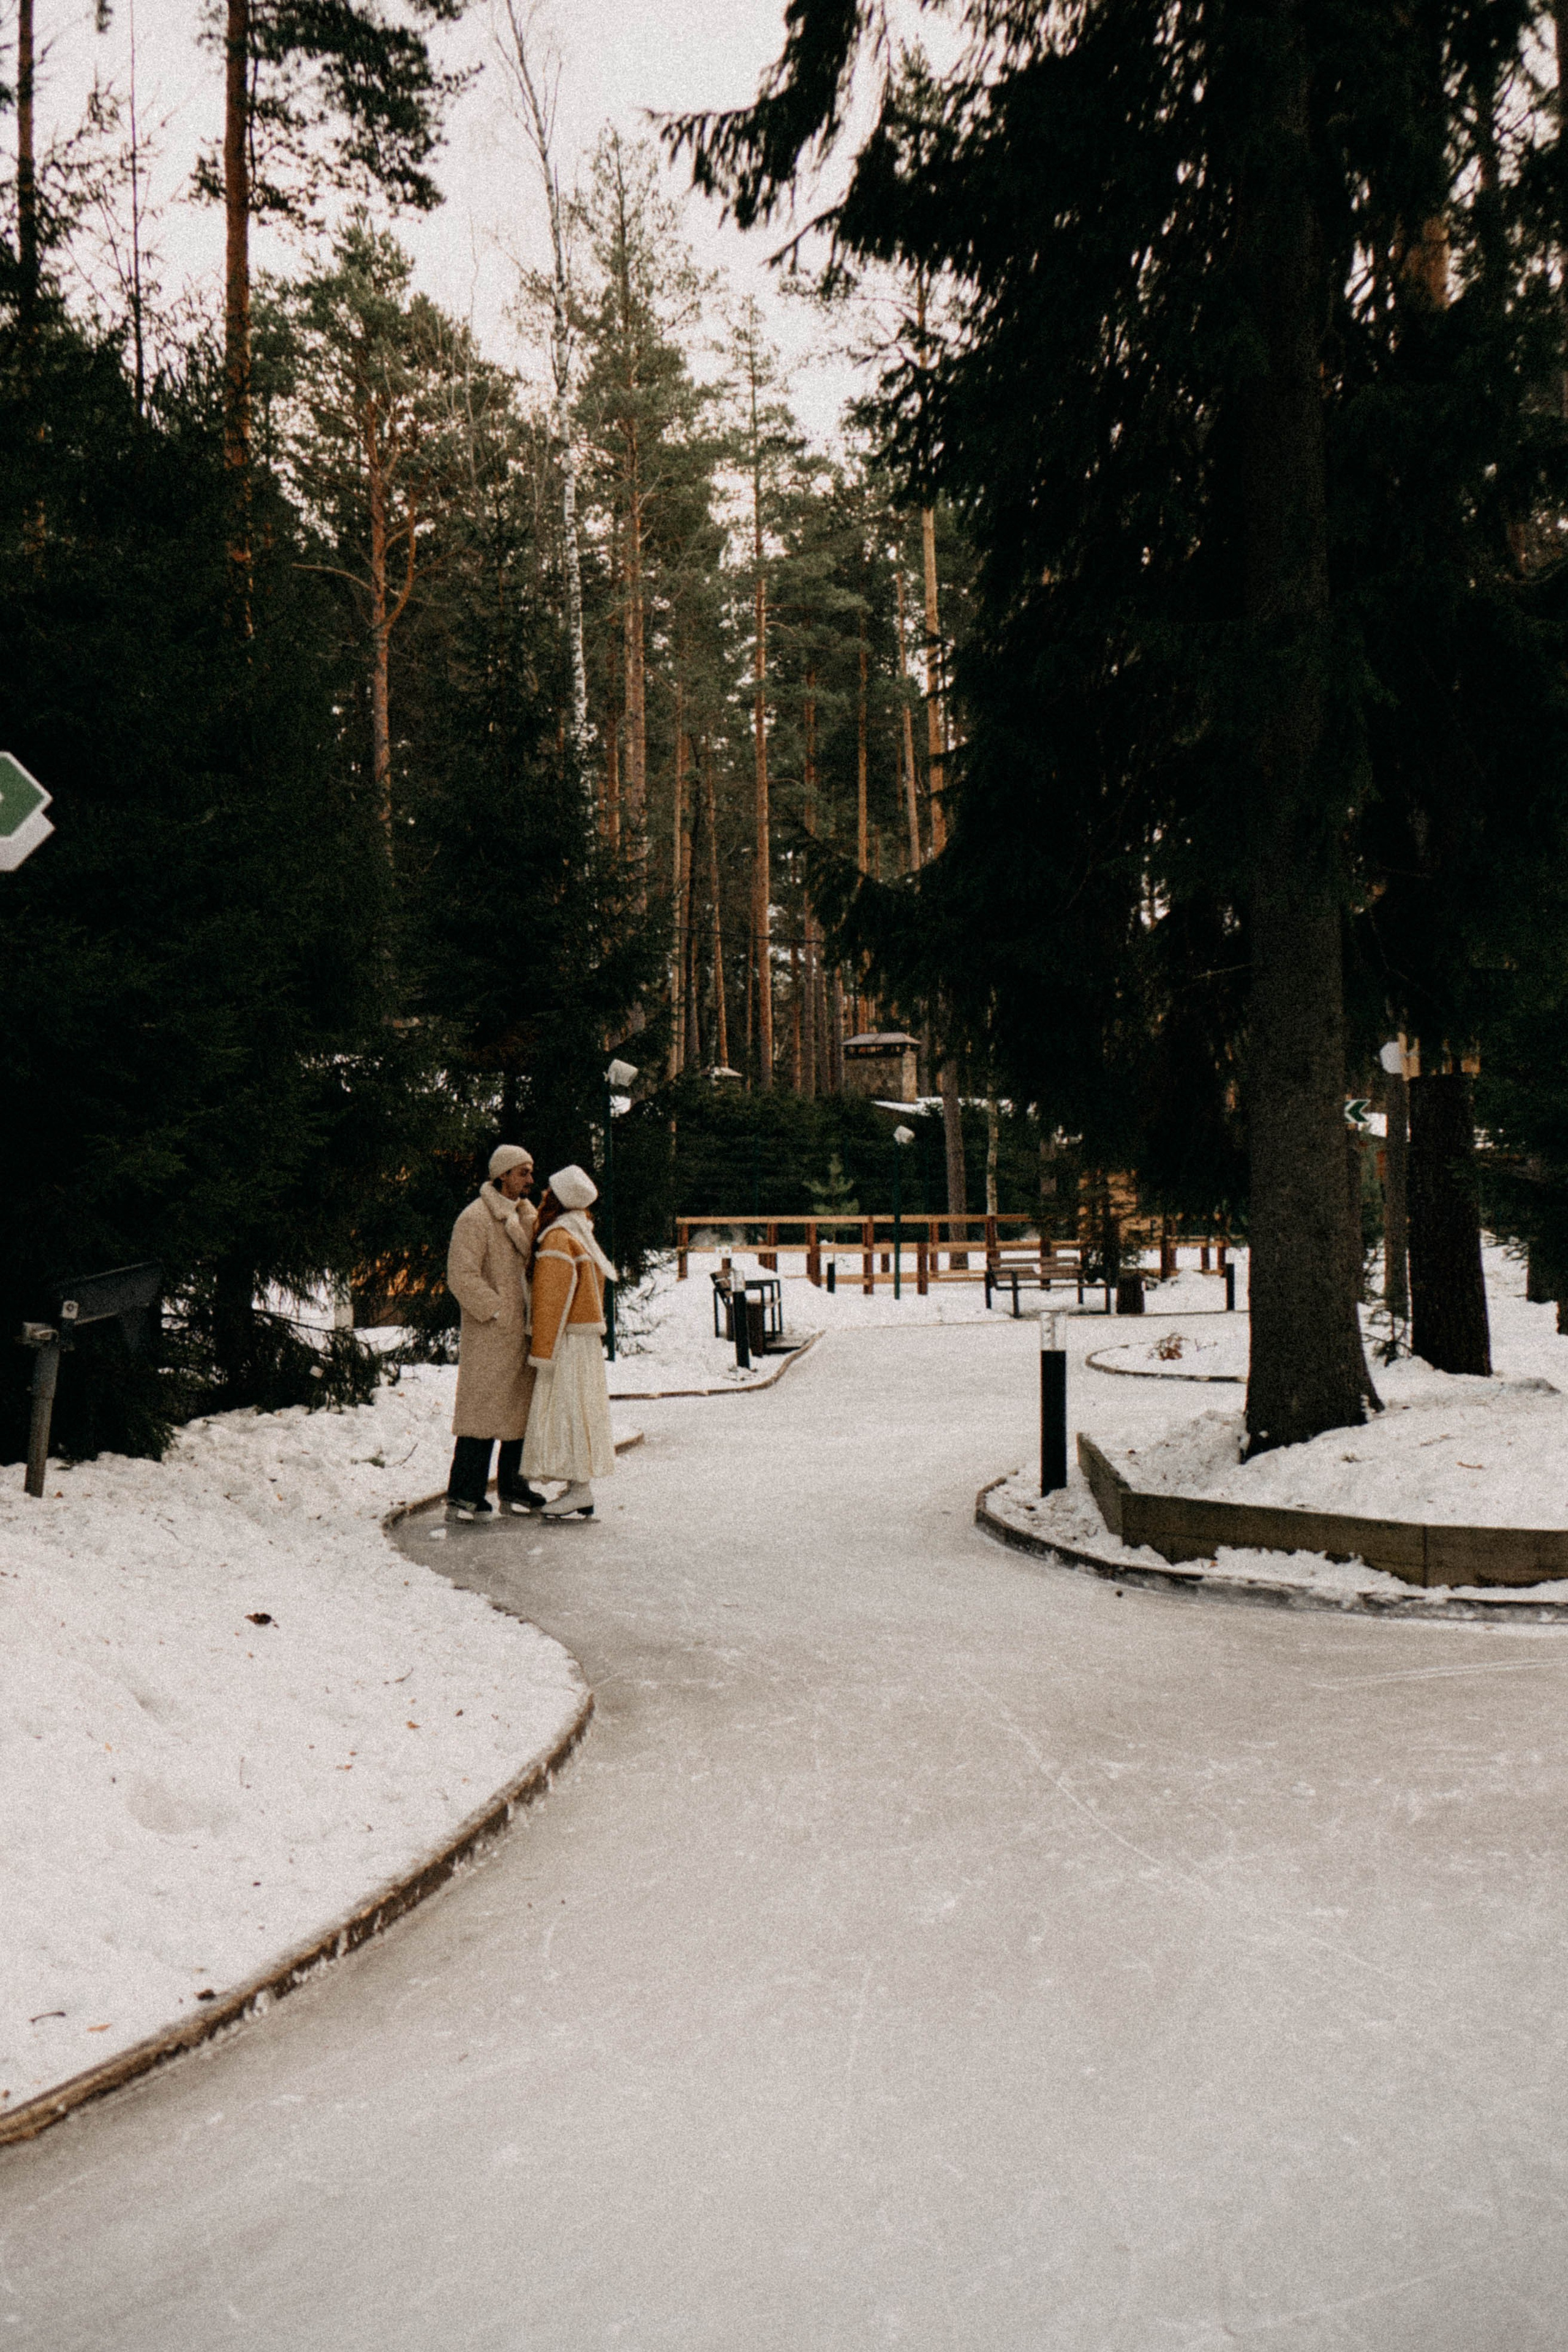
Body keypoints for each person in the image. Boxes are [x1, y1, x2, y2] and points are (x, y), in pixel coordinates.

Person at [445, 1144, 549, 1523]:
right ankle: (464, 1493)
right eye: (523, 1172)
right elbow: (461, 1275)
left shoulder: (527, 1217)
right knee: (482, 1412)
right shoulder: (475, 1219)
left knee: (519, 1412)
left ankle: (513, 1486)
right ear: (503, 1175)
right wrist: (498, 1309)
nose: (530, 1180)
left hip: (522, 1331)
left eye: (531, 1171)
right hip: (492, 1334)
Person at [522, 1164, 617, 1520]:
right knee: (582, 1410)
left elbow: (552, 1300)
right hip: (584, 1339)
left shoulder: (558, 1238)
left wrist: (542, 1350)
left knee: (566, 1411)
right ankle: (579, 1487)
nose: (544, 1195)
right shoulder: (582, 1233)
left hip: (566, 1341)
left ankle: (579, 1489)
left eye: (549, 1192)